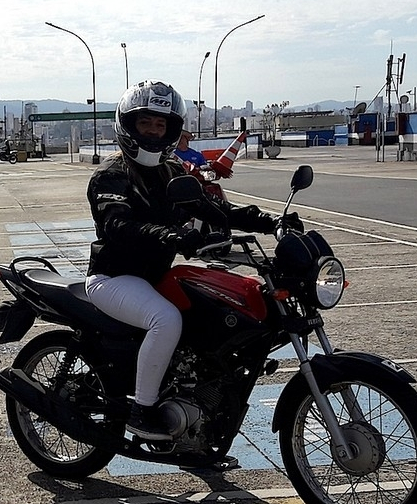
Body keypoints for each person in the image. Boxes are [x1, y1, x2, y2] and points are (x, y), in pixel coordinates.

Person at [84, 80, 295, 441]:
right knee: (165, 320)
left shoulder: (172, 173)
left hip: (155, 277)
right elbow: (117, 224)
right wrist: (169, 235)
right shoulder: (111, 176)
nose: (153, 131)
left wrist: (270, 221)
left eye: (161, 125)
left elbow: (215, 208)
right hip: (114, 278)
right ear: (129, 126)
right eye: (146, 123)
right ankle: (142, 410)